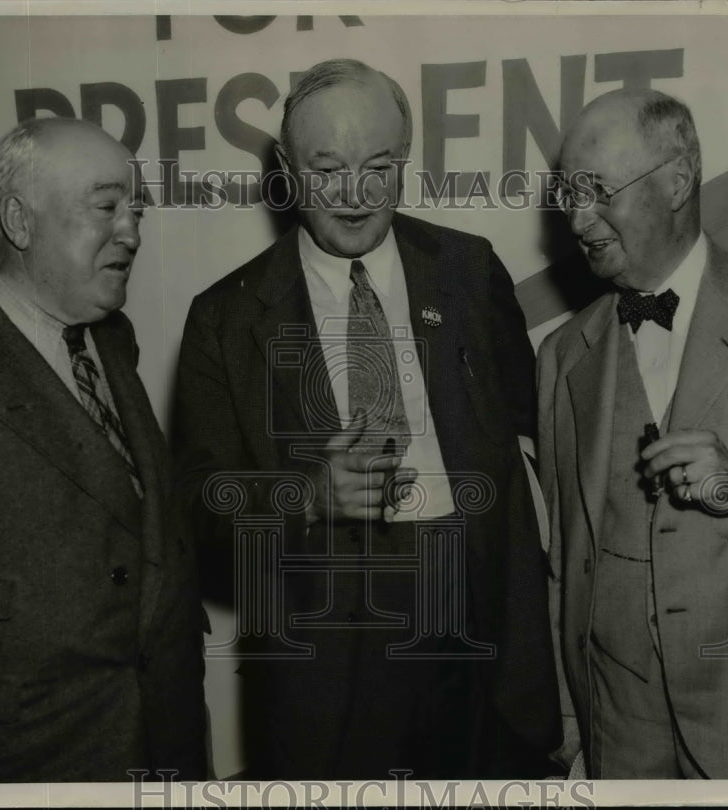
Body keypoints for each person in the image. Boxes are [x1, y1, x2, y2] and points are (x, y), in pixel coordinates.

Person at [174, 58, 560, 779]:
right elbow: (197, 507)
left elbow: (531, 435)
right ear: (286, 169)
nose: (354, 194)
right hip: (327, 660)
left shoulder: (469, 270)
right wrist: (307, 493)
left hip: (478, 638)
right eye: (327, 171)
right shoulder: (224, 318)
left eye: (378, 166)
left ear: (406, 160)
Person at [0, 117, 206, 782]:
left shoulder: (111, 340)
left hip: (162, 745)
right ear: (19, 221)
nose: (133, 232)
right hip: (20, 764)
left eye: (136, 210)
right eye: (107, 206)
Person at [537, 88, 728, 778]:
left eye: (597, 191)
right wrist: (572, 726)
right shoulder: (560, 355)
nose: (579, 219)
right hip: (616, 739)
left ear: (677, 180)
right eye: (569, 196)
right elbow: (561, 561)